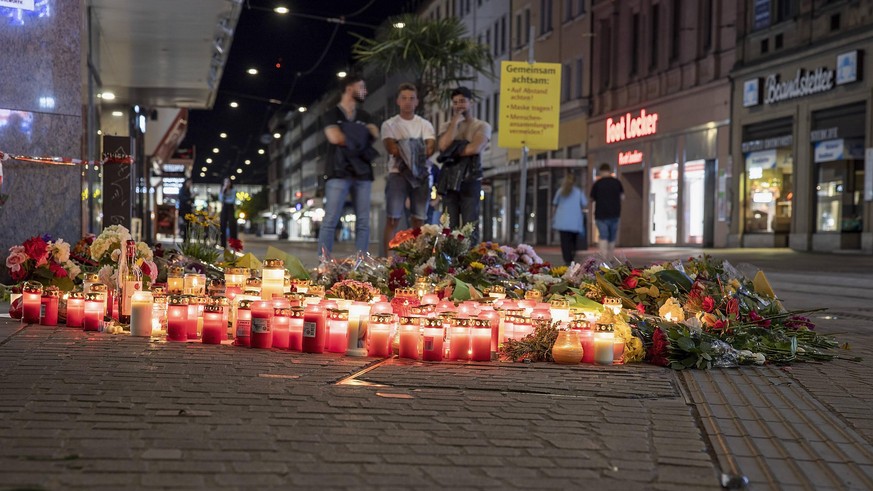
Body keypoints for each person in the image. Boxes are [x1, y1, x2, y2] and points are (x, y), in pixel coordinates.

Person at [318, 75, 380, 257]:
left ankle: (361, 264)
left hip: (362, 172)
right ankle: (324, 263)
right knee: (330, 219)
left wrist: (347, 131)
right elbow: (335, 138)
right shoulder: (331, 114)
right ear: (349, 88)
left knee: (363, 221)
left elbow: (374, 134)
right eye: (362, 87)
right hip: (338, 171)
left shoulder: (365, 115)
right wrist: (361, 133)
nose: (365, 91)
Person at [381, 83, 436, 256]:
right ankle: (389, 260)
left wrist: (403, 144)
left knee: (419, 219)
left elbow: (429, 150)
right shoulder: (389, 124)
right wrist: (416, 145)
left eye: (411, 98)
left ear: (417, 101)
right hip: (397, 174)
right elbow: (392, 148)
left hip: (421, 175)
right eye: (404, 98)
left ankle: (418, 259)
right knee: (392, 218)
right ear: (398, 101)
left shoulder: (425, 124)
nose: (407, 102)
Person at [437, 87, 491, 245]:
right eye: (455, 102)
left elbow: (475, 148)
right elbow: (443, 146)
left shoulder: (481, 126)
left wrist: (451, 151)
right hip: (449, 179)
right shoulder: (446, 125)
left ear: (471, 102)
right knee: (448, 225)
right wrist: (454, 123)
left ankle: (471, 261)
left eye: (462, 101)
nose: (459, 105)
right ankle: (450, 262)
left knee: (470, 224)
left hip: (470, 178)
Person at [552, 173, 588, 265]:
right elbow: (584, 203)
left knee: (564, 242)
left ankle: (567, 259)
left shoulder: (560, 191)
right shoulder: (578, 192)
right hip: (574, 222)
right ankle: (572, 257)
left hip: (562, 221)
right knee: (573, 242)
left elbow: (554, 205)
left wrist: (553, 216)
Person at [590, 163, 624, 258]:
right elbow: (622, 197)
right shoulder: (617, 182)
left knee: (603, 235)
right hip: (615, 213)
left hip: (601, 214)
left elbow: (592, 199)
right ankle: (611, 256)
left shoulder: (597, 184)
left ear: (601, 171)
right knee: (612, 237)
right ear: (610, 171)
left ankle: (603, 256)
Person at [218, 177, 238, 248]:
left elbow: (232, 200)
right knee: (222, 224)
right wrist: (223, 191)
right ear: (223, 183)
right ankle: (223, 244)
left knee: (232, 225)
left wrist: (225, 200)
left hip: (231, 208)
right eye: (225, 182)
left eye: (228, 182)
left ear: (230, 183)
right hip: (224, 208)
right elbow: (220, 199)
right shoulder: (222, 190)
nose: (227, 183)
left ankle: (234, 243)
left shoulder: (233, 190)